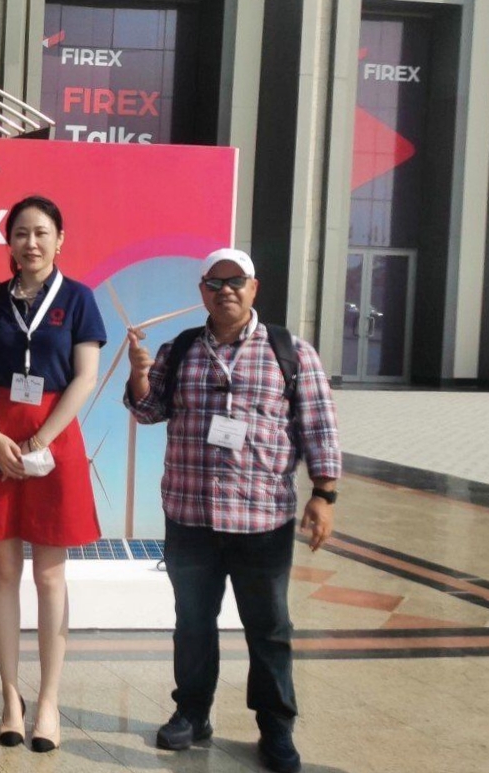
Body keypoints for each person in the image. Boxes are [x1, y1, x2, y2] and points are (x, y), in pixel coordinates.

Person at [125, 248, 340, 773]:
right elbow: (148, 412)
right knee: (192, 623)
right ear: (202, 291)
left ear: (253, 287)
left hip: (261, 518)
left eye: (236, 281)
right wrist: (139, 375)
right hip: (190, 515)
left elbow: (319, 425)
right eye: (215, 282)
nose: (226, 290)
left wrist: (324, 494)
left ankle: (276, 727)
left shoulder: (291, 352)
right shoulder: (180, 350)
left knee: (269, 628)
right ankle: (192, 712)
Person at [0, 195, 105, 754]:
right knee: (3, 571)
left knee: (50, 575)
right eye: (21, 233)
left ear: (60, 239)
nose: (31, 243)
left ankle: (48, 701)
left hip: (54, 442)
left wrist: (41, 440)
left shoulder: (78, 299)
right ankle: (10, 697)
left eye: (41, 233)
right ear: (9, 241)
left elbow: (85, 377)